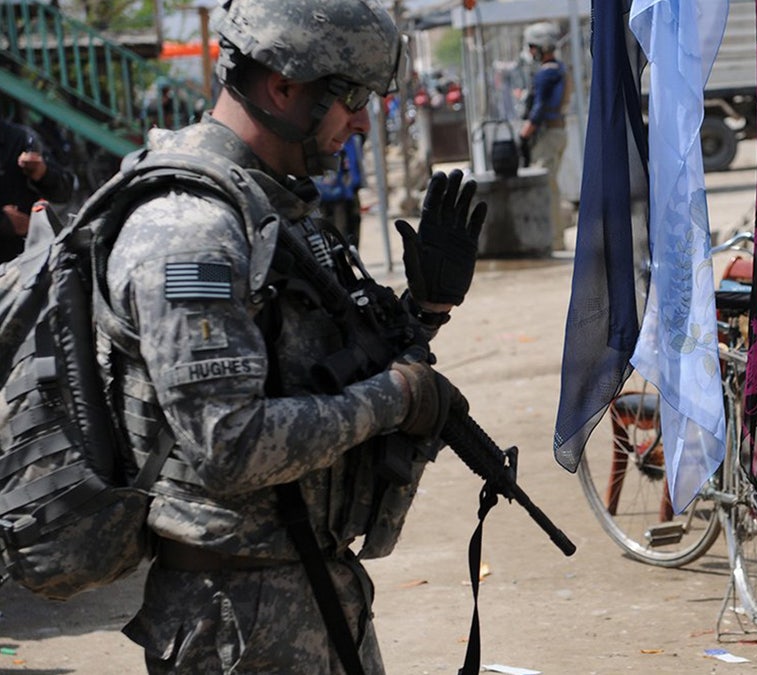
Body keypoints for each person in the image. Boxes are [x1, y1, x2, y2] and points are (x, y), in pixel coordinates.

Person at [99, 0, 486, 672]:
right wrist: (396, 396)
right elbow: (231, 444)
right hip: (238, 620)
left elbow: (311, 368)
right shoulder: (190, 228)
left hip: (313, 587)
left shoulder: (274, 204)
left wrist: (422, 315)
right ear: (284, 86)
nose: (364, 121)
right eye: (354, 97)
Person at [519, 20, 569, 248]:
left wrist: (526, 132)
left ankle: (553, 241)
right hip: (559, 131)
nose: (530, 51)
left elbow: (539, 108)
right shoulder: (559, 69)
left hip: (547, 136)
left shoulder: (545, 74)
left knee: (546, 189)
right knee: (552, 186)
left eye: (532, 46)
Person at [0, 117, 76, 263]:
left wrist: (43, 173)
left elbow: (65, 191)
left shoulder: (21, 139)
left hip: (27, 263)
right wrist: (5, 222)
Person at [317, 132, 365, 245]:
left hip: (349, 192)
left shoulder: (354, 139)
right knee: (336, 233)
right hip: (329, 194)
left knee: (351, 229)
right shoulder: (324, 137)